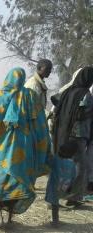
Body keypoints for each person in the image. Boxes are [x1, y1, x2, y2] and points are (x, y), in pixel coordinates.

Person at [0, 67, 51, 228]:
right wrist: (42, 146)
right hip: (25, 146)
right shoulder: (31, 96)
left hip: (3, 147)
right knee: (18, 181)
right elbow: (40, 123)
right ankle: (10, 217)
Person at [51, 66, 93, 207]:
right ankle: (73, 198)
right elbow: (82, 114)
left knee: (62, 165)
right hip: (78, 136)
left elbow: (56, 106)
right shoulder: (86, 94)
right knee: (81, 168)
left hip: (63, 134)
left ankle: (55, 195)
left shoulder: (67, 91)